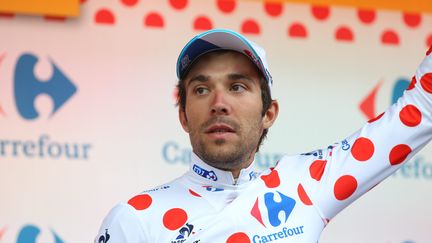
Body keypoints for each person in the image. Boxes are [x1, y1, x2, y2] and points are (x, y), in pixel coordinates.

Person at [95, 29, 432, 243]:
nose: (219, 104)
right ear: (183, 116)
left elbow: (419, 110)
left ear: (268, 113)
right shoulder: (136, 218)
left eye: (237, 86)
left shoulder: (306, 186)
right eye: (200, 89)